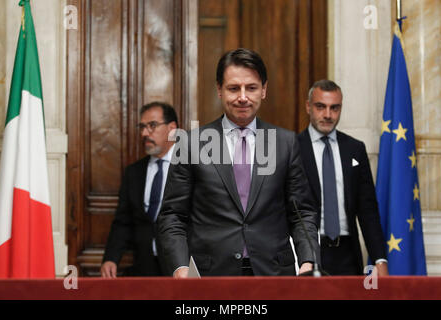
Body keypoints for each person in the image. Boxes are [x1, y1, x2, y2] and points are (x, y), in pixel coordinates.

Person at [157, 48, 319, 277]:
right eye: (233, 88)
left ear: (264, 90)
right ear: (219, 90)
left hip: (274, 274)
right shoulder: (191, 144)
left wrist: (308, 260)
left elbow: (302, 212)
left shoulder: (286, 143)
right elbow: (173, 215)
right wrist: (180, 267)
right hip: (209, 276)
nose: (243, 97)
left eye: (251, 88)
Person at [297, 80, 388, 276]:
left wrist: (380, 260)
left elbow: (368, 210)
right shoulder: (293, 148)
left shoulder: (355, 149)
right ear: (308, 107)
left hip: (348, 254)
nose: (328, 115)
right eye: (320, 107)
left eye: (334, 108)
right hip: (308, 253)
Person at [100, 102, 178, 277]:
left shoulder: (191, 168)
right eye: (142, 127)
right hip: (144, 267)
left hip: (181, 268)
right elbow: (123, 220)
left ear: (172, 128)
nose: (144, 133)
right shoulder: (134, 172)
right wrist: (111, 258)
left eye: (152, 126)